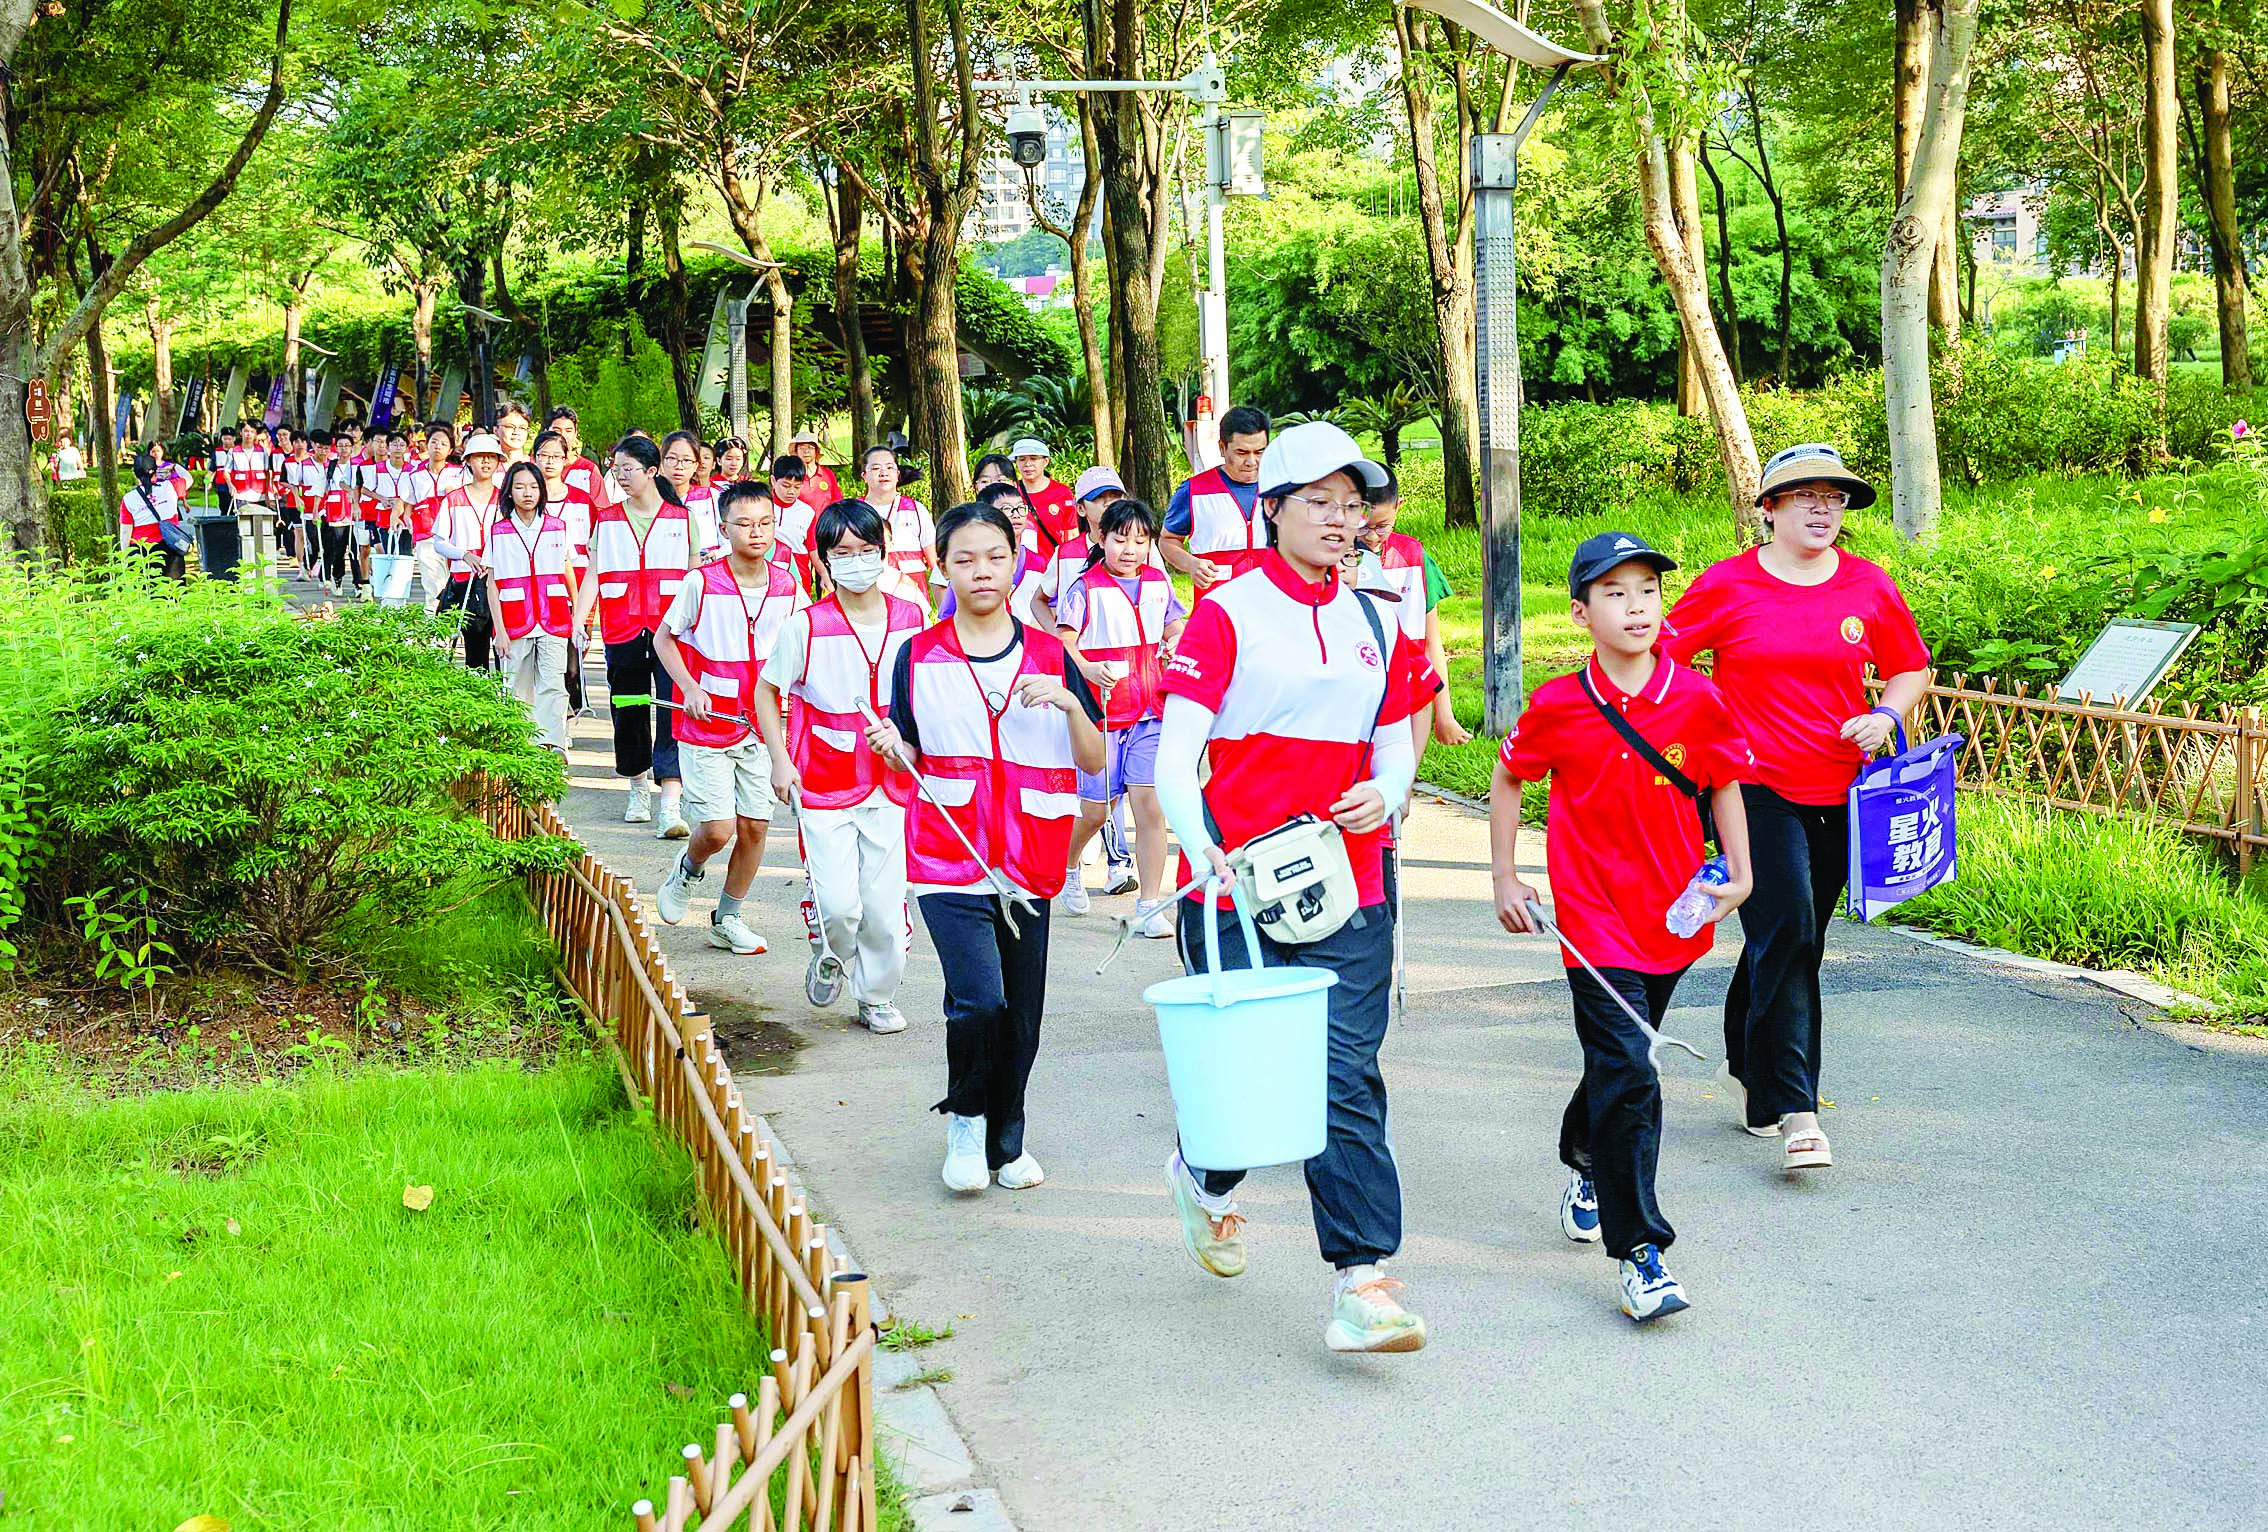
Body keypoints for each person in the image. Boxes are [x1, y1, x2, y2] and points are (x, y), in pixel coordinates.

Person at [1153, 420, 1442, 1355]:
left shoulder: (1375, 615)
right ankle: (1207, 1181)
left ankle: (1364, 1282)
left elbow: (1397, 743)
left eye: (1351, 504)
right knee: (1247, 1090)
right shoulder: (1227, 612)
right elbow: (1174, 762)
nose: (1338, 519)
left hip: (1351, 885)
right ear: (1269, 508)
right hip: (1236, 893)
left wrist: (1384, 795)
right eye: (1316, 501)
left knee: (1342, 1075)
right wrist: (1204, 855)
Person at [1491, 531, 1757, 1324]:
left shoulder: (1697, 698)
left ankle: (1584, 1155)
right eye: (1614, 593)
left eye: (1647, 589)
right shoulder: (1559, 705)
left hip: (1674, 912)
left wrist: (1740, 874)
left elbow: (1725, 785)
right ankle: (1641, 1252)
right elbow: (1509, 777)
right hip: (1592, 919)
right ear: (1580, 612)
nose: (1636, 606)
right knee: (1634, 1068)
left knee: (1621, 1065)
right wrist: (1506, 874)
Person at [1662, 443, 1932, 1172]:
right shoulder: (1726, 586)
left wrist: (1886, 713)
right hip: (1750, 790)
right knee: (1791, 930)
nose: (1822, 509)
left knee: (1790, 941)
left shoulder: (1868, 586)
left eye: (1834, 497)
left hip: (1841, 790)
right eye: (1804, 496)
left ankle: (1752, 1074)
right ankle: (1799, 1113)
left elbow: (1910, 665)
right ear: (1770, 508)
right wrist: (1699, 735)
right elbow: (1662, 661)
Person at [868, 500, 1105, 1195]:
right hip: (949, 852)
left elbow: (1093, 759)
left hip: (1030, 854)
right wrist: (892, 745)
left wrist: (1067, 701)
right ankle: (966, 1122)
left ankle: (1008, 1141)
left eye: (995, 557)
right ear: (942, 568)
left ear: (1017, 561)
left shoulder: (1051, 654)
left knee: (1022, 1017)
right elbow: (905, 752)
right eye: (964, 559)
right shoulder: (918, 654)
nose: (981, 571)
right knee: (978, 1002)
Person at [758, 499, 927, 1035]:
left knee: (882, 906)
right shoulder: (805, 626)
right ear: (824, 561)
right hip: (824, 783)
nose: (856, 561)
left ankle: (875, 995)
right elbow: (767, 692)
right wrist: (780, 761)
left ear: (884, 551)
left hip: (894, 783)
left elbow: (922, 694)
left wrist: (909, 741)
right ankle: (830, 950)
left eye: (867, 550)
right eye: (843, 553)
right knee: (838, 905)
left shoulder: (911, 618)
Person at [652, 483, 805, 955]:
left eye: (765, 522)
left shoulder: (788, 584)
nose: (756, 532)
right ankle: (688, 869)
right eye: (744, 523)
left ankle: (728, 917)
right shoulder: (702, 581)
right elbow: (664, 640)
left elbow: (799, 652)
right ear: (723, 529)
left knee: (756, 825)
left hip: (763, 725)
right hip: (708, 723)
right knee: (719, 829)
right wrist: (691, 688)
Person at [1055, 497, 1185, 935]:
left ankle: (1150, 905)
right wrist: (1088, 668)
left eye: (1140, 540)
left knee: (1149, 806)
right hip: (1104, 714)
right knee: (1096, 810)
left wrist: (1175, 643)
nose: (1129, 549)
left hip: (1151, 710)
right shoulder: (1084, 587)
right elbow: (1063, 643)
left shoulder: (1157, 583)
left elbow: (1173, 626)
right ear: (1100, 539)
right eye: (1119, 539)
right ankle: (1069, 866)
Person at [571, 434, 700, 838]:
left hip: (671, 630)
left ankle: (670, 803)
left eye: (628, 469)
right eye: (616, 468)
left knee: (672, 708)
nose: (620, 476)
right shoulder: (607, 519)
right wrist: (580, 618)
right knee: (627, 706)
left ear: (651, 471)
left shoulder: (682, 520)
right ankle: (637, 787)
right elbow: (593, 572)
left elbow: (696, 578)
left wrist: (698, 627)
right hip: (622, 626)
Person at [485, 461, 580, 754]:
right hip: (514, 619)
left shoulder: (557, 527)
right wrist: (499, 630)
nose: (528, 493)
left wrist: (577, 617)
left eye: (533, 486)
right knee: (516, 687)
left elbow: (567, 571)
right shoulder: (498, 531)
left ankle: (552, 746)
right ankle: (521, 747)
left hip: (554, 616)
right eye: (520, 486)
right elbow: (492, 582)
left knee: (554, 684)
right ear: (509, 492)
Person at [1162, 404, 1270, 597]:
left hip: (1270, 610)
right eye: (1242, 453)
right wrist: (1191, 564)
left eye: (1259, 452)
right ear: (1222, 447)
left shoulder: (1282, 490)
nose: (1252, 461)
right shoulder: (1193, 491)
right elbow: (1168, 540)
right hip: (1215, 610)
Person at [431, 432, 507, 669]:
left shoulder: (505, 500)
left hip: (500, 581)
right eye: (479, 457)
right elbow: (439, 542)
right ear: (468, 461)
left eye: (491, 457)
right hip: (466, 581)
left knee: (505, 649)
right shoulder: (453, 499)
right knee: (475, 651)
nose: (485, 462)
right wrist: (463, 554)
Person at [856, 444, 934, 602]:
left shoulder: (916, 510)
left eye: (889, 467)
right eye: (876, 468)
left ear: (898, 474)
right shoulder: (854, 511)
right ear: (864, 475)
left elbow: (934, 560)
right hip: (869, 593)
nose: (883, 473)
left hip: (912, 594)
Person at [407, 424, 460, 613]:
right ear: (426, 445)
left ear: (450, 449)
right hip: (426, 535)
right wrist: (405, 520)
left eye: (444, 443)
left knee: (453, 583)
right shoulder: (415, 475)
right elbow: (407, 503)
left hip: (455, 537)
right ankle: (436, 631)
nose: (438, 446)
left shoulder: (460, 473)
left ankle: (452, 626)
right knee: (433, 585)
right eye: (434, 442)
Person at [118, 448, 187, 580]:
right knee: (174, 594)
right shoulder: (170, 488)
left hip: (141, 554)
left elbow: (125, 534)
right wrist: (175, 467)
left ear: (135, 475)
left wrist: (124, 559)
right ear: (156, 472)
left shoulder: (128, 499)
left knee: (147, 594)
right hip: (171, 550)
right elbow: (188, 478)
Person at [1006, 436, 1077, 557]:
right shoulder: (1010, 493)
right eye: (1022, 459)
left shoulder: (1062, 493)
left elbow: (1071, 535)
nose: (1027, 464)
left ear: (1045, 461)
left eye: (1033, 459)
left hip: (1054, 568)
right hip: (1021, 568)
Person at [661, 429, 721, 561]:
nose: (679, 466)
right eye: (672, 459)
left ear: (696, 466)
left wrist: (717, 554)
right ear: (661, 462)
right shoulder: (652, 500)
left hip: (707, 571)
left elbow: (729, 541)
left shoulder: (711, 497)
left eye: (687, 460)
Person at [769, 455, 819, 591]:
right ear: (773, 481)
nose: (791, 492)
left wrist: (825, 575)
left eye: (797, 487)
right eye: (786, 485)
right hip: (768, 574)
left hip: (799, 577)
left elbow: (813, 549)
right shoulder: (761, 507)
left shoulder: (807, 512)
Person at [790, 430, 841, 509]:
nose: (806, 451)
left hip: (825, 521)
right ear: (796, 451)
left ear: (816, 451)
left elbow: (837, 502)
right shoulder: (791, 475)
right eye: (802, 448)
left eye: (810, 447)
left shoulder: (828, 474)